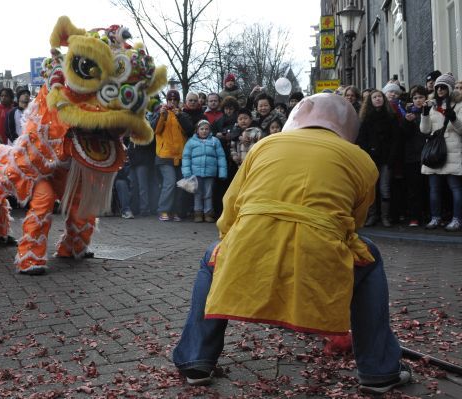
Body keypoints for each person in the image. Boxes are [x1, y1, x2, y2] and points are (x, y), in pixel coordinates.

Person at [172, 94, 411, 395]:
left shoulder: (263, 146)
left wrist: (233, 245)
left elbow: (229, 208)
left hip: (250, 246)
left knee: (212, 256)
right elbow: (354, 221)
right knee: (370, 255)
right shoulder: (361, 159)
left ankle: (196, 360)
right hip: (320, 257)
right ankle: (379, 371)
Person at [420, 73, 462, 231]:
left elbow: (461, 129)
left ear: (450, 89)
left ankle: (457, 219)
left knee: (455, 187)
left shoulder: (458, 105)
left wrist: (454, 118)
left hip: (452, 149)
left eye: (443, 86)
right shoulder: (432, 105)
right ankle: (435, 218)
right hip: (435, 151)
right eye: (438, 87)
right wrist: (424, 114)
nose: (440, 89)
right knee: (434, 188)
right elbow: (425, 130)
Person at [357, 89, 402, 227]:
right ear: (370, 101)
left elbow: (396, 139)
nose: (378, 99)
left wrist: (391, 158)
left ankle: (385, 216)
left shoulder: (391, 117)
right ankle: (372, 215)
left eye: (380, 97)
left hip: (386, 158)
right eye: (374, 97)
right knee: (371, 188)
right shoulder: (366, 118)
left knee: (384, 188)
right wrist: (367, 153)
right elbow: (361, 139)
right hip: (371, 159)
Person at [150, 89, 192, 221]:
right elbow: (153, 130)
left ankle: (175, 211)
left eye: (175, 100)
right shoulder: (160, 113)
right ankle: (163, 210)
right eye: (170, 100)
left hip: (180, 156)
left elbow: (189, 129)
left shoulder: (183, 114)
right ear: (167, 101)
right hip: (164, 156)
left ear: (179, 101)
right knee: (169, 182)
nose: (172, 102)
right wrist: (161, 116)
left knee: (180, 184)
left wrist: (180, 115)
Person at [181, 119, 227, 223]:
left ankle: (208, 214)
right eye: (202, 129)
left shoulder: (215, 141)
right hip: (195, 173)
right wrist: (186, 172)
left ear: (210, 130)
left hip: (210, 173)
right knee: (197, 193)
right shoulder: (191, 142)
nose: (204, 131)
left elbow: (221, 157)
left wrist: (222, 172)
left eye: (206, 129)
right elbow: (186, 157)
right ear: (197, 130)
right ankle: (198, 213)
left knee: (208, 194)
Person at [402, 86, 429, 227]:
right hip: (413, 156)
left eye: (421, 97)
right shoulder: (408, 114)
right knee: (414, 188)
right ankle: (415, 217)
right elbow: (404, 136)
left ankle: (429, 215)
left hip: (429, 155)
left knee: (429, 187)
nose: (418, 100)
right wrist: (407, 122)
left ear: (426, 98)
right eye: (415, 98)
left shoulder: (430, 112)